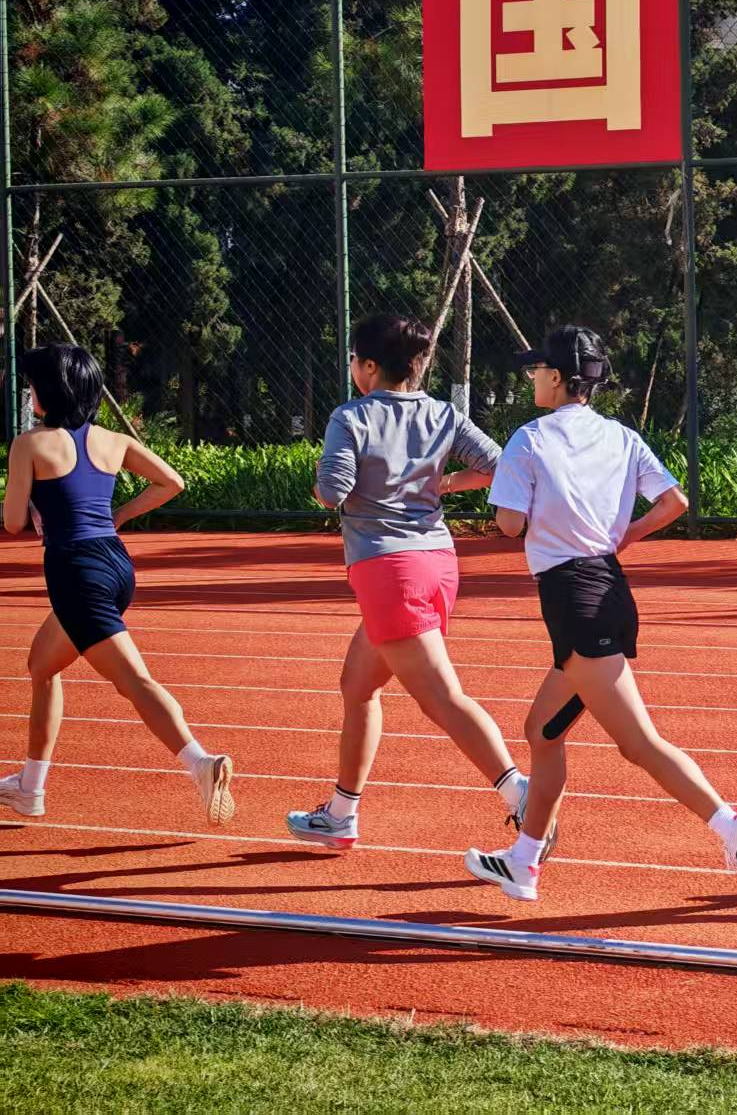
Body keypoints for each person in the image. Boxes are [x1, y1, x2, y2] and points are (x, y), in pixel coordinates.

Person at [464, 324, 737, 904]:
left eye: (538, 370)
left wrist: (534, 508)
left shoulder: (529, 439)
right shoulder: (622, 437)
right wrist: (621, 536)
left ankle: (735, 828)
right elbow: (674, 502)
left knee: (638, 743)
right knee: (541, 731)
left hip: (575, 602)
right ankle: (524, 862)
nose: (532, 378)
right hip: (605, 591)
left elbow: (508, 524)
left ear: (559, 378)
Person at [285, 314, 543, 853]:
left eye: (353, 360)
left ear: (368, 365)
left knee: (442, 698)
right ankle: (340, 814)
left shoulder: (350, 416)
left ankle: (523, 795)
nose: (353, 369)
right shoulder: (443, 413)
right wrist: (442, 484)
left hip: (389, 569)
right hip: (436, 562)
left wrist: (326, 487)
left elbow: (333, 490)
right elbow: (498, 465)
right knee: (358, 687)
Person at [0, 343, 235, 823]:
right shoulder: (113, 440)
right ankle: (30, 786)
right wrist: (120, 514)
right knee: (42, 664)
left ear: (49, 391)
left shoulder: (29, 444)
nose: (29, 393)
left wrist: (36, 499)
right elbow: (172, 482)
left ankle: (201, 762)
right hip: (115, 565)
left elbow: (13, 522)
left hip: (75, 571)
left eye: (32, 385)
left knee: (134, 680)